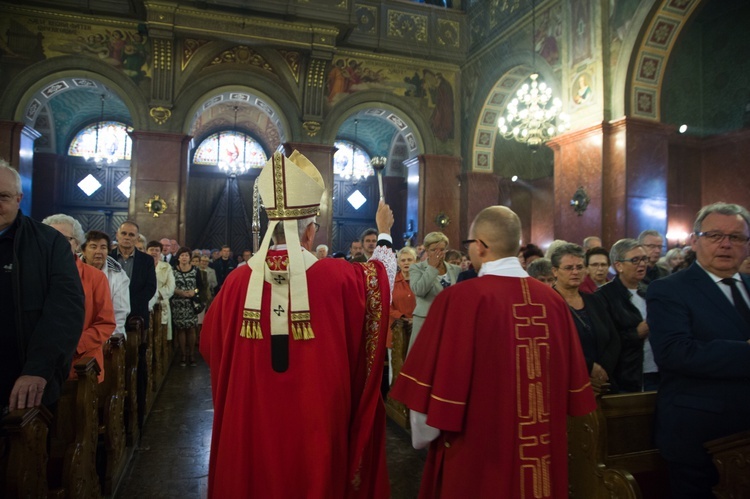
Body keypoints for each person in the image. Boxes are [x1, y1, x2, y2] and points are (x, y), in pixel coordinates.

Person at [200, 150, 397, 498]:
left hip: (249, 420)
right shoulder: (339, 277)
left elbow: (210, 345)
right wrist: (384, 234)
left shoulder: (236, 282)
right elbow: (382, 282)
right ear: (309, 231)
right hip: (317, 421)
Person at [390, 206, 596, 498]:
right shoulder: (552, 301)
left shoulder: (460, 299)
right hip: (540, 453)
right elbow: (573, 383)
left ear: (481, 246)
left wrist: (424, 436)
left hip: (476, 452)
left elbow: (428, 402)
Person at [647, 202, 750, 498]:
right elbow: (675, 352)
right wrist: (745, 351)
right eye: (715, 235)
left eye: (737, 237)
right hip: (701, 434)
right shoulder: (669, 289)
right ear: (695, 241)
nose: (726, 244)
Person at [0, 162, 84, 412]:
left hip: (20, 382)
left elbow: (64, 311)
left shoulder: (49, 244)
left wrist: (38, 369)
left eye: (2, 197)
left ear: (18, 198)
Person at [43, 214, 116, 383]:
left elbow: (106, 323)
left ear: (77, 244)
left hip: (81, 363)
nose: (56, 242)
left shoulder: (95, 277)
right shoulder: (33, 274)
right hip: (40, 363)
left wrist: (73, 345)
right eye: (50, 236)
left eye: (64, 238)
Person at [550, 243, 620, 393]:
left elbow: (614, 338)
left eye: (580, 267)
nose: (575, 272)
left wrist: (602, 370)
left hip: (603, 382)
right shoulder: (548, 302)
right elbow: (554, 348)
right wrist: (589, 368)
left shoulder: (594, 300)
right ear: (555, 271)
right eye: (569, 268)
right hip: (566, 383)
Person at [596, 239, 653, 392]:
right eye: (635, 260)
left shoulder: (652, 291)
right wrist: (636, 333)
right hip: (625, 374)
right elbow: (603, 340)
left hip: (655, 369)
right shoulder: (603, 296)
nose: (642, 264)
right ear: (619, 265)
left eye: (644, 259)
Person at [408, 231, 461, 352]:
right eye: (433, 250)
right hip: (425, 321)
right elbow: (419, 290)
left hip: (449, 322)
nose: (438, 253)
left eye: (441, 249)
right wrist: (431, 268)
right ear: (426, 250)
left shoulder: (456, 270)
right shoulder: (417, 268)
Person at [80, 229, 131, 338]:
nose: (98, 251)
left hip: (108, 335)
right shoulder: (71, 270)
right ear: (83, 251)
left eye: (103, 247)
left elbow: (120, 312)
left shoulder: (118, 275)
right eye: (93, 247)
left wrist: (108, 340)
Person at [111, 220, 157, 330]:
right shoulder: (108, 257)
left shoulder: (147, 260)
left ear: (137, 238)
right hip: (110, 312)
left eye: (131, 234)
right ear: (117, 236)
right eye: (124, 233)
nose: (127, 237)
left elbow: (150, 287)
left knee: (136, 346)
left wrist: (128, 304)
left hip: (137, 315)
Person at [172, 247, 203, 367]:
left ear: (190, 257)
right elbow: (170, 286)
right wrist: (179, 292)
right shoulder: (173, 270)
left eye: (186, 255)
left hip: (191, 303)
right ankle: (183, 355)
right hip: (178, 303)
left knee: (191, 329)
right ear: (178, 257)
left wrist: (193, 292)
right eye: (182, 255)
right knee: (180, 329)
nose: (184, 257)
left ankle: (192, 354)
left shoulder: (195, 270)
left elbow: (200, 286)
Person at [146, 240, 175, 342]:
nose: (154, 252)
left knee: (161, 337)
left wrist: (154, 294)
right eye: (151, 250)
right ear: (147, 251)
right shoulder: (142, 266)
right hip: (146, 304)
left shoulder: (166, 267)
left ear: (160, 252)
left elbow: (170, 288)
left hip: (161, 305)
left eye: (157, 250)